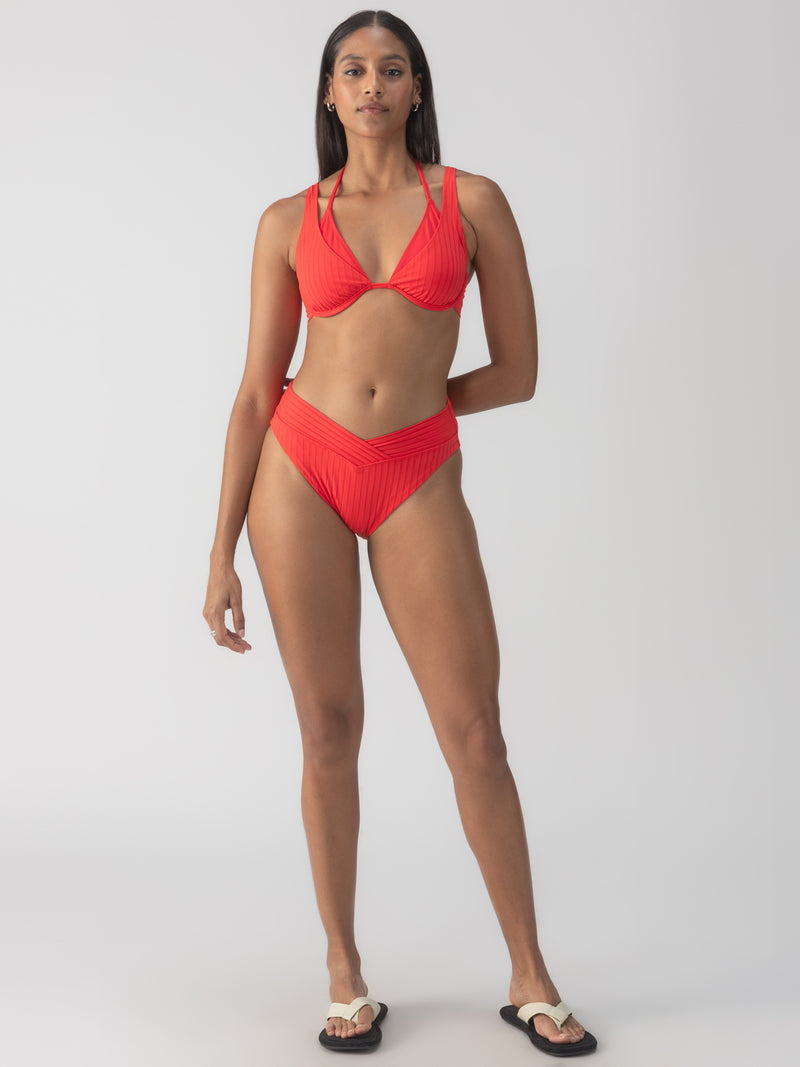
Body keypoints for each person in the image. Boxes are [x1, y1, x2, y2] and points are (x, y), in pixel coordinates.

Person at [202, 8, 597, 1058]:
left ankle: (529, 973)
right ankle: (343, 971)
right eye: (352, 69)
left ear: (416, 87)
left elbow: (517, 372)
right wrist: (218, 551)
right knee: (328, 726)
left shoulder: (472, 203)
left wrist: (417, 414)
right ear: (329, 94)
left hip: (417, 473)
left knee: (476, 733)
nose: (371, 84)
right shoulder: (285, 221)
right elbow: (254, 393)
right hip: (299, 467)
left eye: (390, 68)